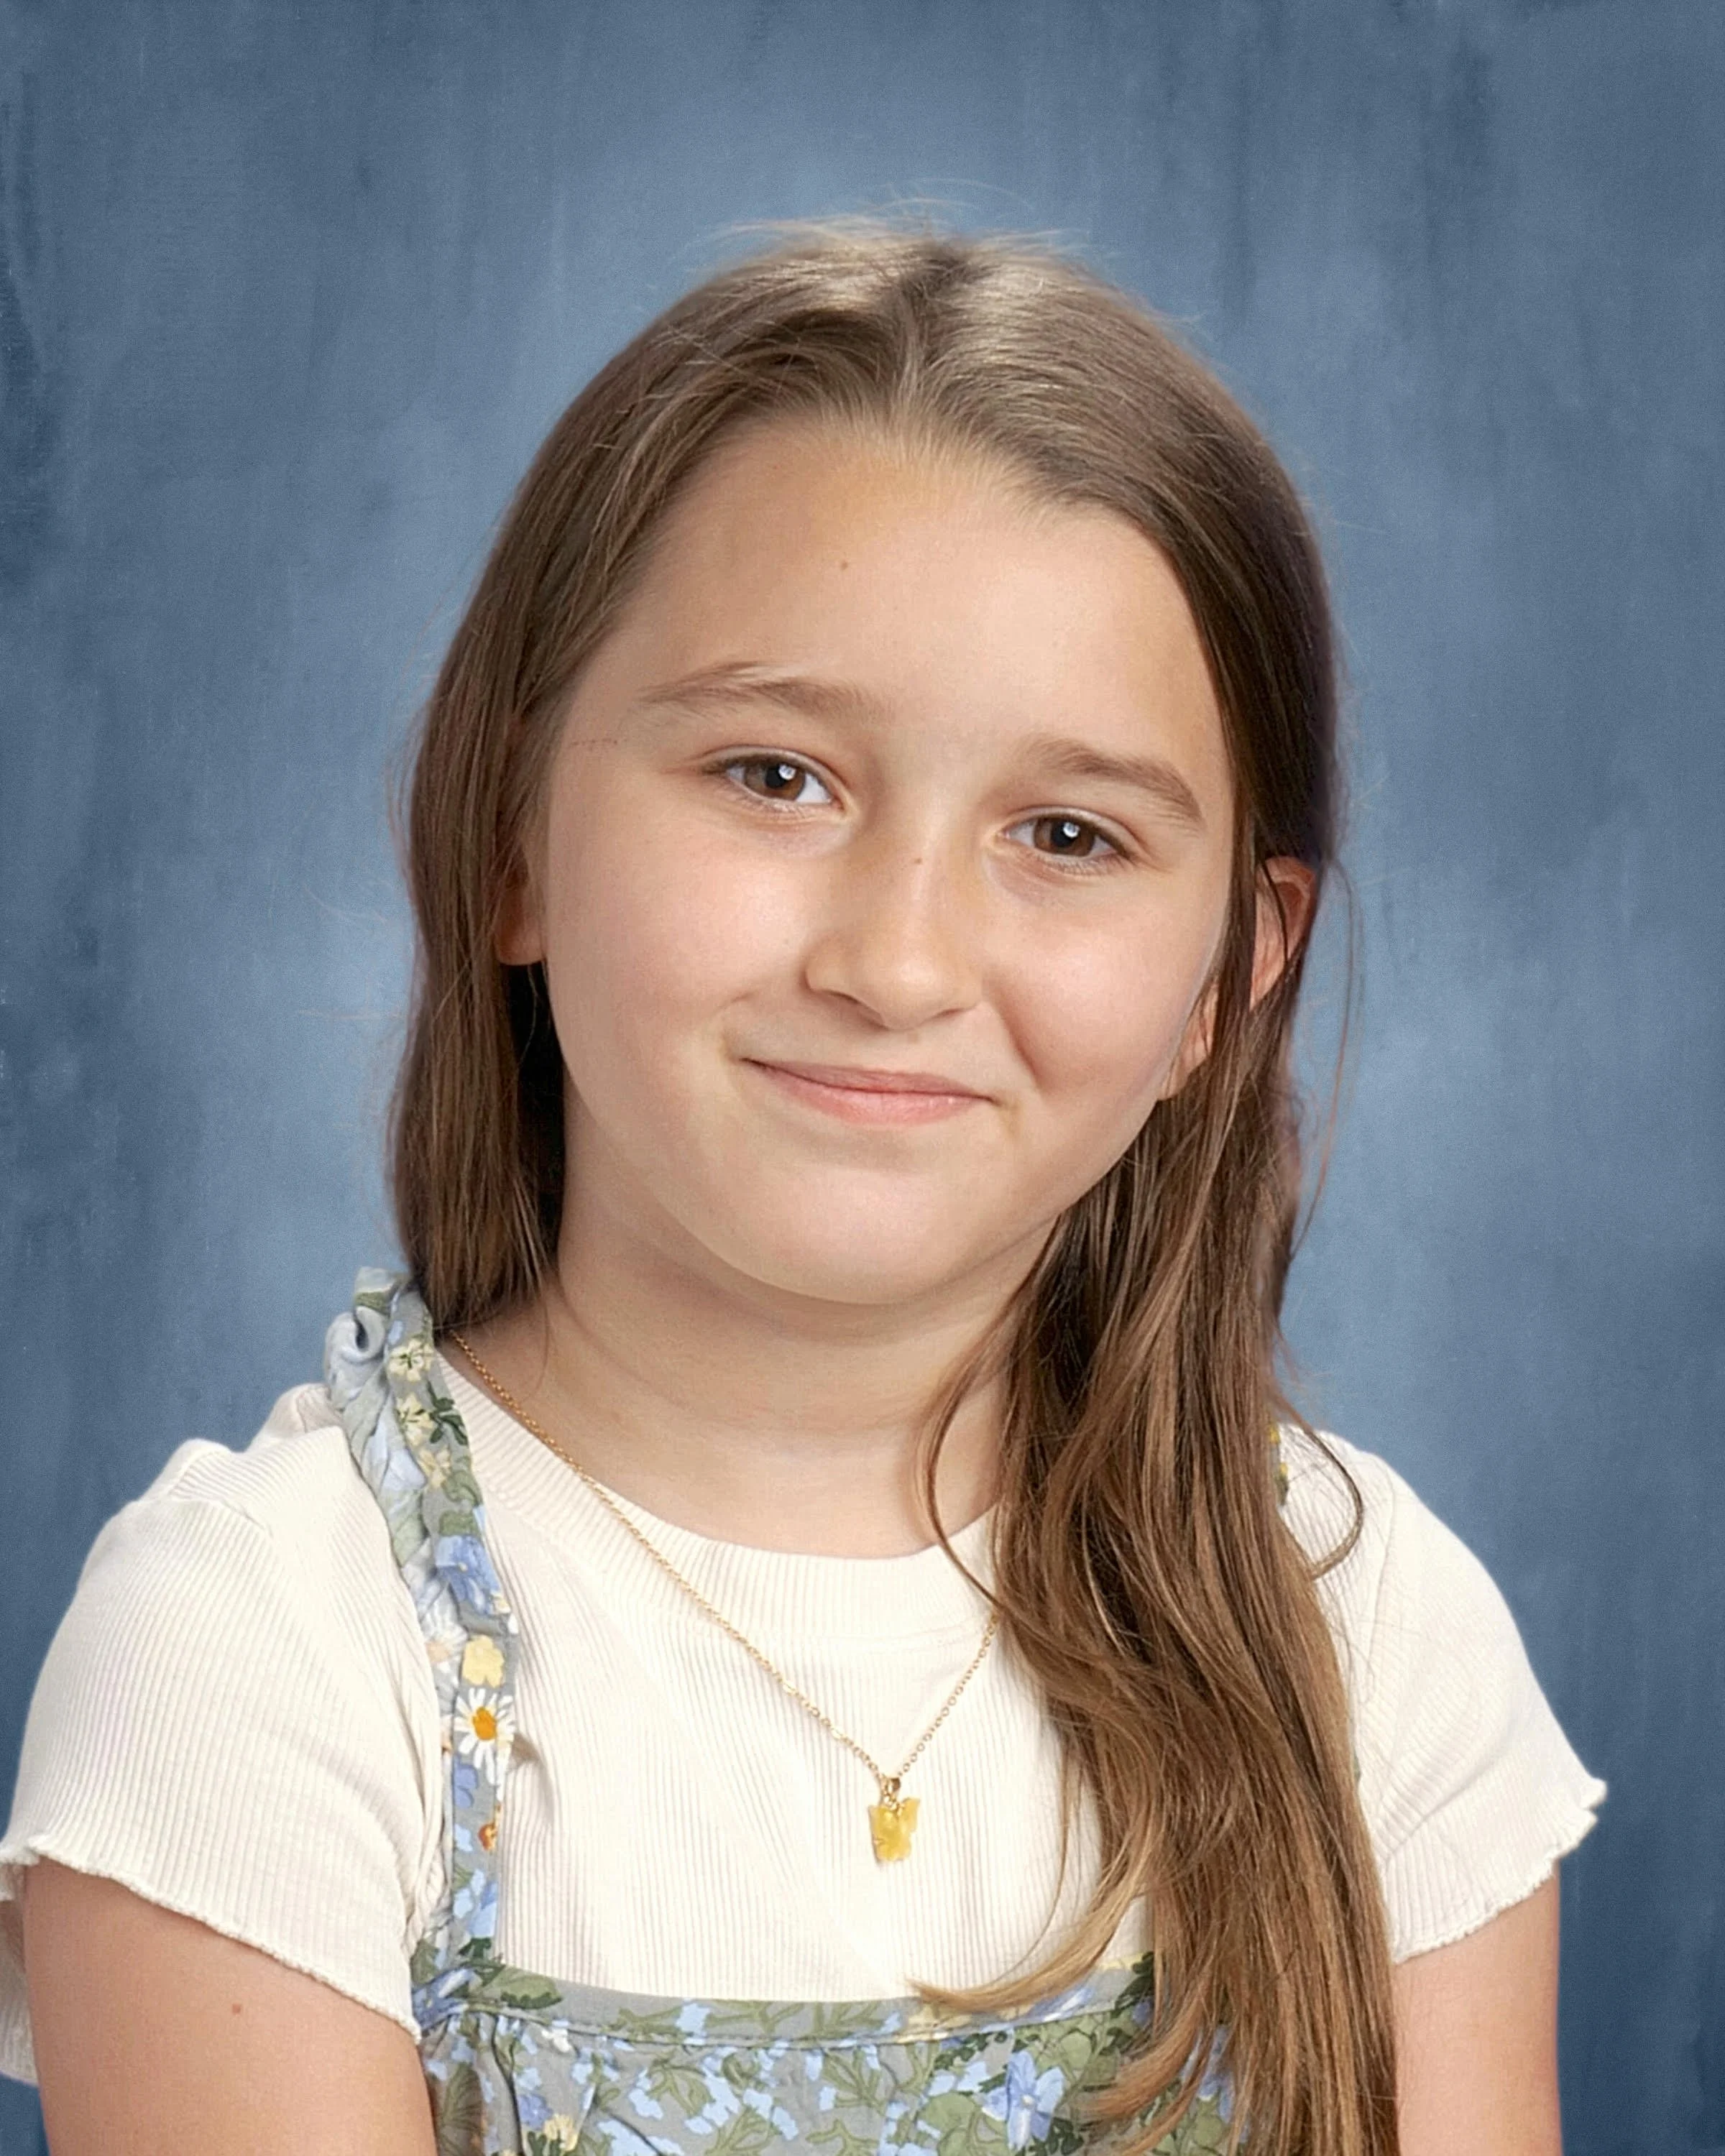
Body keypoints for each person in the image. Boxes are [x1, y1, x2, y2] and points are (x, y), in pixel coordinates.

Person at [0, 223, 1604, 2156]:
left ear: (1228, 980)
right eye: (775, 778)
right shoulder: (268, 1654)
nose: (900, 960)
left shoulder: (1373, 1642)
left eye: (1069, 833)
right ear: (512, 842)